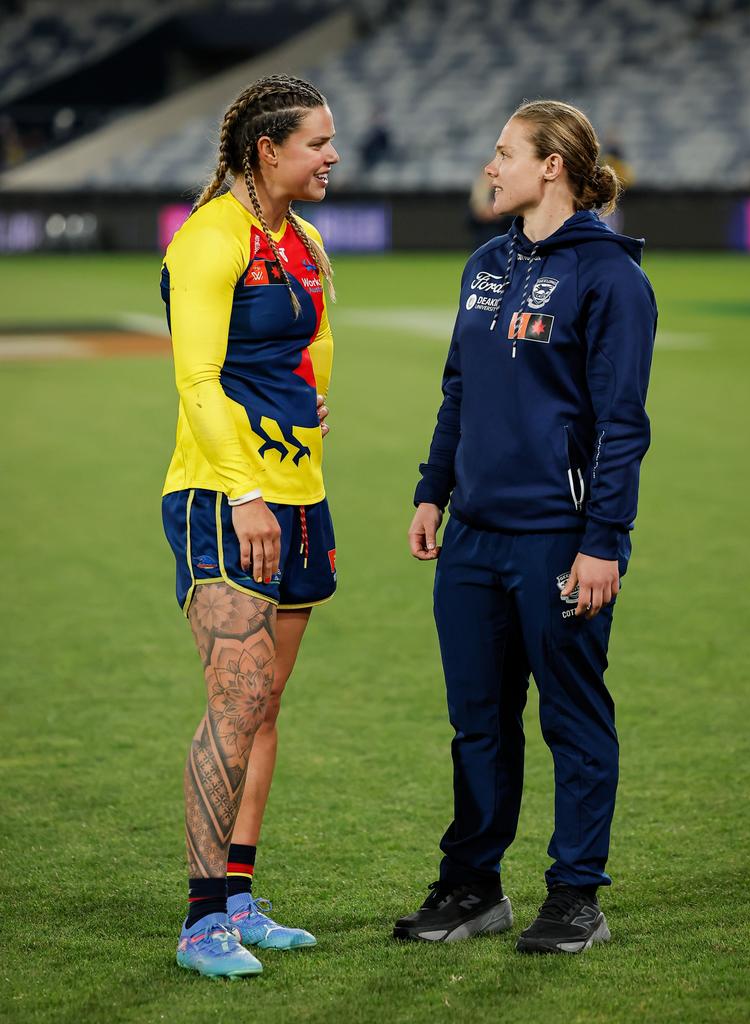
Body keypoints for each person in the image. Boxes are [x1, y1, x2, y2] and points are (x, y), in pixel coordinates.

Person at [394, 100, 656, 953]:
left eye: (503, 152)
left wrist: (603, 541)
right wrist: (433, 490)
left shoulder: (611, 278)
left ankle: (576, 894)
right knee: (477, 721)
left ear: (553, 166)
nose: (489, 166)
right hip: (471, 536)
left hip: (557, 537)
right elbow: (458, 389)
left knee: (572, 719)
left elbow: (622, 424)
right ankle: (472, 886)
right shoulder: (483, 264)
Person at [160, 75, 340, 977]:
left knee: (265, 707)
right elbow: (197, 384)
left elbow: (316, 343)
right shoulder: (208, 239)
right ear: (268, 150)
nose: (332, 157)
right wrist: (244, 494)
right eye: (317, 142)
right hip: (225, 499)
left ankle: (239, 899)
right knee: (232, 706)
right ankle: (200, 924)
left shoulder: (301, 239)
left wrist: (316, 410)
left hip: (299, 493)